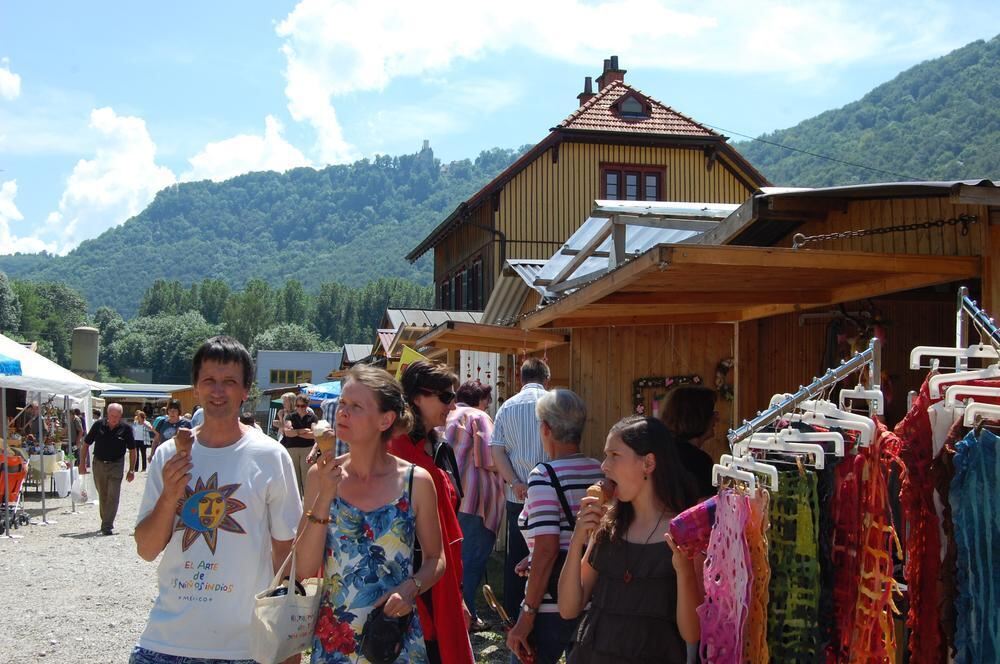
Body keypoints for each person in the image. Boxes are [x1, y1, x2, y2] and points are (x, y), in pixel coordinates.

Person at [131, 335, 302, 663]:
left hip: (245, 647)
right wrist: (170, 495)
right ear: (195, 388)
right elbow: (147, 549)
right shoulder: (169, 455)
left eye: (229, 382)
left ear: (245, 390)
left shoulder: (269, 456)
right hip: (166, 643)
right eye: (208, 380)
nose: (218, 391)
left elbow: (285, 555)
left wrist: (287, 642)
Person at [296, 365, 446, 663]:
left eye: (356, 406)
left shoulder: (416, 482)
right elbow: (304, 567)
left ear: (385, 420)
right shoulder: (320, 477)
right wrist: (325, 497)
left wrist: (411, 588)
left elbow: (435, 559)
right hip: (335, 639)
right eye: (342, 404)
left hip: (394, 640)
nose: (342, 413)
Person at [557, 416, 702, 664]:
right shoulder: (608, 525)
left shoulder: (684, 532)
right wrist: (577, 537)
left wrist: (684, 570)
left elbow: (692, 633)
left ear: (648, 463)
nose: (604, 466)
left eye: (614, 455)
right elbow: (569, 608)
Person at [506, 389, 603, 664]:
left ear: (546, 428)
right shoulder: (598, 470)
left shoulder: (543, 476)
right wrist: (532, 552)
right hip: (591, 596)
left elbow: (548, 549)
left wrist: (527, 614)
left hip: (550, 602)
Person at [390, 361, 475, 664]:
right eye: (445, 397)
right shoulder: (391, 451)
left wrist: (460, 594)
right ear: (416, 398)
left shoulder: (441, 449)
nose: (452, 405)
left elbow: (452, 517)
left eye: (453, 396)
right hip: (408, 575)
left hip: (445, 572)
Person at [490, 357, 551, 618]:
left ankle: (515, 613)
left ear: (521, 379)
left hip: (519, 494)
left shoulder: (507, 407)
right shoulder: (555, 403)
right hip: (551, 492)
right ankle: (546, 607)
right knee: (549, 551)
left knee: (517, 553)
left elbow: (497, 451)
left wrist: (515, 482)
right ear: (546, 378)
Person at [445, 379, 504, 632]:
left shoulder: (446, 415)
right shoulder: (477, 416)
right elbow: (490, 459)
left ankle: (453, 615)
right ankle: (464, 619)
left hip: (449, 499)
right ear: (480, 399)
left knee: (451, 562)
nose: (488, 405)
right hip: (474, 501)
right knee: (469, 562)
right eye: (488, 400)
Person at [79, 403, 137, 535]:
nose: (114, 419)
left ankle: (107, 525)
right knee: (103, 494)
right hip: (99, 463)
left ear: (120, 416)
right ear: (107, 414)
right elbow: (86, 444)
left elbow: (133, 450)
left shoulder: (126, 429)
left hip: (116, 464)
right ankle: (106, 520)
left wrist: (132, 469)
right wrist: (82, 464)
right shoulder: (98, 425)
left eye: (117, 416)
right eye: (112, 416)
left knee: (113, 495)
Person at [660, 385, 719, 498]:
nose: (717, 417)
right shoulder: (698, 461)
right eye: (712, 412)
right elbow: (707, 508)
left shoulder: (663, 450)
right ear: (697, 417)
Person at [282, 394, 316, 496]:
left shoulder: (313, 417)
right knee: (294, 479)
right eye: (298, 405)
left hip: (307, 449)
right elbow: (287, 432)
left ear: (307, 405)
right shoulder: (289, 416)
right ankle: (296, 506)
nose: (300, 408)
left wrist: (295, 433)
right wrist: (302, 431)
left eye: (303, 406)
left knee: (307, 479)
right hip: (292, 449)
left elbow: (314, 435)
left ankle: (308, 506)